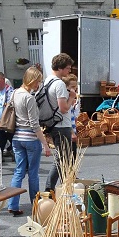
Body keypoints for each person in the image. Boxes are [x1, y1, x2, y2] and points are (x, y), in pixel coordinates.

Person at [8, 67, 50, 216]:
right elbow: (34, 124)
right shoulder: (29, 97)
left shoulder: (14, 93)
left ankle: (12, 204)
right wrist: (45, 144)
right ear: (32, 80)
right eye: (38, 80)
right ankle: (35, 203)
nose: (38, 83)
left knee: (18, 172)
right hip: (30, 138)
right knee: (33, 173)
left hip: (17, 137)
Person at [43, 53, 76, 192]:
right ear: (61, 68)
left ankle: (63, 185)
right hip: (61, 125)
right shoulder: (59, 84)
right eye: (68, 68)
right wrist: (72, 97)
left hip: (52, 124)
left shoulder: (47, 81)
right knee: (62, 159)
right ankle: (50, 189)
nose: (69, 71)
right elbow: (63, 108)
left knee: (62, 158)